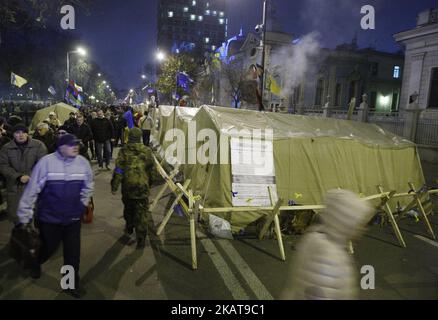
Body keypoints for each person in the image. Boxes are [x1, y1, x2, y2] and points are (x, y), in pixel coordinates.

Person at [16, 134, 94, 298]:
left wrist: (82, 204)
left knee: (73, 254)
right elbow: (32, 190)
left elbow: (88, 186)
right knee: (47, 249)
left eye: (76, 144)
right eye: (71, 145)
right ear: (61, 147)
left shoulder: (82, 163)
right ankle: (35, 262)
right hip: (49, 219)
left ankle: (70, 284)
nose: (76, 147)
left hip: (72, 219)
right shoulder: (46, 163)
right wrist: (24, 216)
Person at [279, 189, 374, 300]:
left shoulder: (314, 237)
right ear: (345, 223)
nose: (362, 229)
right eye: (359, 224)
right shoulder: (330, 258)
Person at [111, 127, 154, 248]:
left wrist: (114, 186)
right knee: (142, 213)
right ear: (140, 137)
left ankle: (129, 226)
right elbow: (152, 170)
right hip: (142, 188)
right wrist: (150, 183)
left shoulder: (123, 151)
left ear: (129, 136)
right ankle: (141, 238)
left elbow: (119, 170)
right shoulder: (147, 151)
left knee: (128, 209)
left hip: (128, 188)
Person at [0, 124, 47, 223]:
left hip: (34, 185)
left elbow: (42, 164)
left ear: (27, 133)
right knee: (17, 218)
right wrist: (18, 176)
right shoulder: (6, 148)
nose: (21, 135)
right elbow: (3, 165)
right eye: (17, 133)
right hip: (14, 187)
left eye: (23, 132)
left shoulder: (38, 145)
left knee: (37, 216)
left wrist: (30, 176)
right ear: (13, 135)